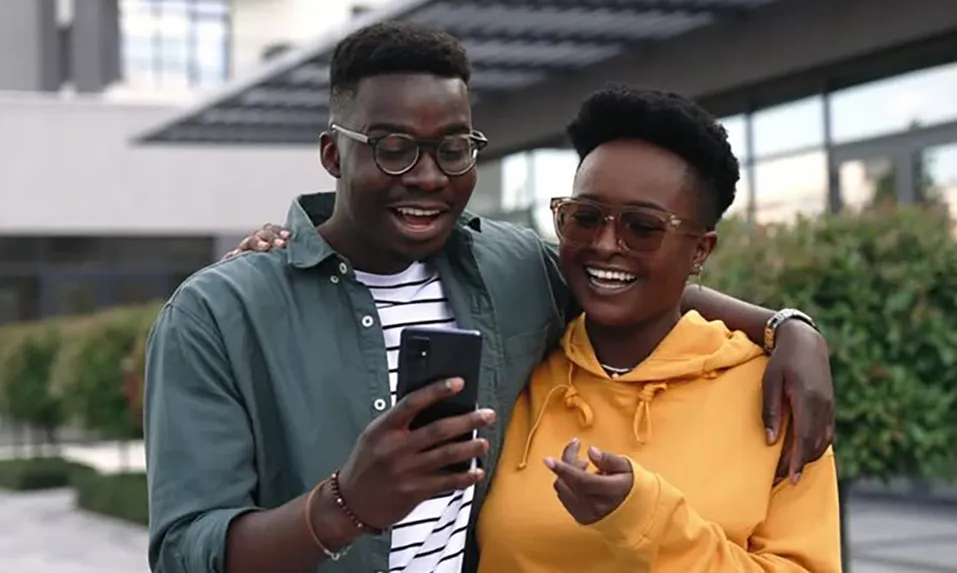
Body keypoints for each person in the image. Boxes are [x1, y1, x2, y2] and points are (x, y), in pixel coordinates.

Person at [145, 21, 832, 573]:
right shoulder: (218, 315)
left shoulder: (510, 269)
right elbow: (183, 552)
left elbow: (636, 280)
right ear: (333, 152)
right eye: (391, 148)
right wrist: (346, 504)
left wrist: (789, 327)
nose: (427, 176)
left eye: (453, 148)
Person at [472, 85, 840, 572]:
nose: (604, 245)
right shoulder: (521, 367)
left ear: (700, 251)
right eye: (583, 218)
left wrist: (646, 520)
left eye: (642, 228)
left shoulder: (775, 394)